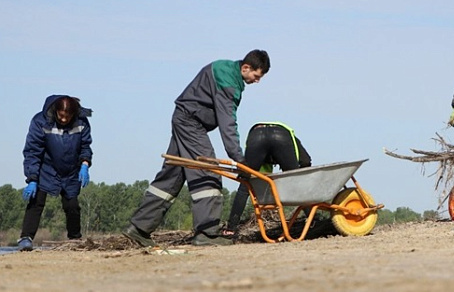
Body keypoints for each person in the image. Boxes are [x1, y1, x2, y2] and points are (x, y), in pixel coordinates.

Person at [123, 49, 270, 247]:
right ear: (246, 67)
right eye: (256, 76)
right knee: (207, 171)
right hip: (191, 123)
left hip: (183, 117)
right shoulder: (229, 82)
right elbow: (227, 122)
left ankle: (139, 228)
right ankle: (206, 234)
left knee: (171, 177)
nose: (257, 81)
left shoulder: (224, 67)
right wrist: (239, 159)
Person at [17, 95, 93, 252]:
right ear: (56, 111)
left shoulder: (82, 122)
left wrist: (85, 164)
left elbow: (85, 146)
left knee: (72, 205)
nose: (64, 119)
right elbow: (32, 151)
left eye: (68, 116)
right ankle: (26, 238)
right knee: (36, 201)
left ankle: (75, 239)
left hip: (71, 170)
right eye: (61, 115)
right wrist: (32, 178)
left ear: (74, 113)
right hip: (47, 169)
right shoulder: (41, 121)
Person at [223, 122, 312, 238]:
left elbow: (255, 174)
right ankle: (313, 221)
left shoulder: (254, 135)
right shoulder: (290, 135)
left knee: (244, 185)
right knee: (296, 182)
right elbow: (305, 160)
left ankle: (231, 229)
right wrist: (301, 177)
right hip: (282, 136)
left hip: (256, 135)